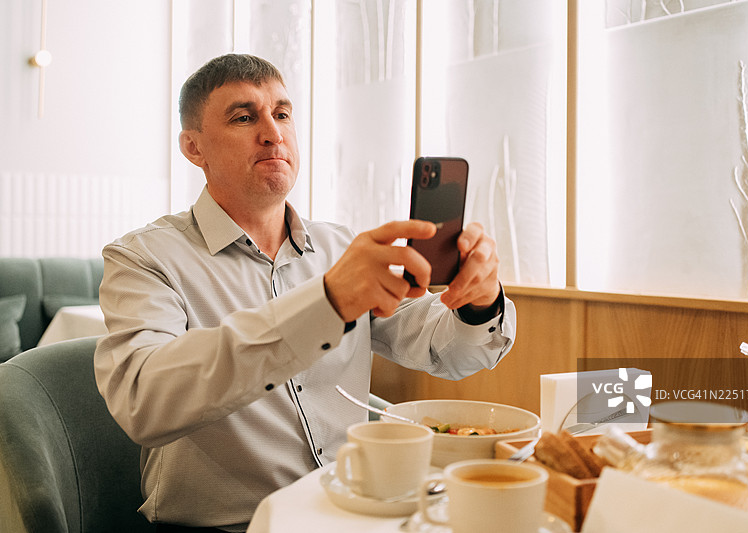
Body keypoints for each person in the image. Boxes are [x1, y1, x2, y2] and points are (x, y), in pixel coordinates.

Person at [94, 53, 516, 532]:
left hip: (352, 514)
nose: (273, 133)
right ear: (194, 148)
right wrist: (326, 304)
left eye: (282, 113)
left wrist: (479, 303)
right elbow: (143, 401)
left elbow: (448, 352)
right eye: (244, 117)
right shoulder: (144, 258)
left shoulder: (340, 248)